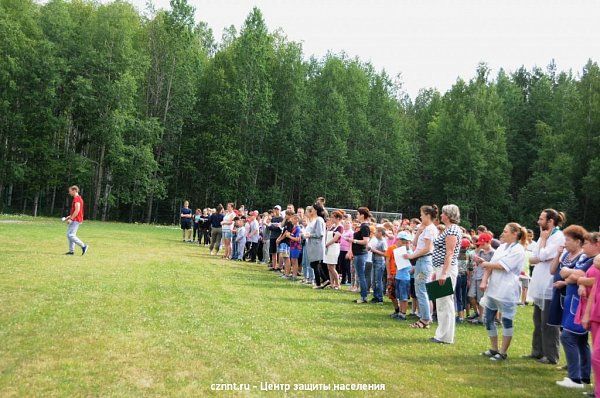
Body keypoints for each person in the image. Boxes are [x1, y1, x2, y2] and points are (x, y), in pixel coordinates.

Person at [478, 223, 527, 361]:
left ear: (515, 234)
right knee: (488, 319)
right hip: (493, 288)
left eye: (506, 231)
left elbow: (503, 266)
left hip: (507, 289)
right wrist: (484, 280)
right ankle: (494, 348)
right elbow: (491, 266)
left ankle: (503, 351)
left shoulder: (518, 250)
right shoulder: (500, 247)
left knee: (506, 320)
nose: (503, 233)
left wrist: (485, 264)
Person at [526, 209, 566, 365]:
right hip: (539, 283)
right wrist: (541, 245)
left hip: (549, 284)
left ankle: (551, 355)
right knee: (537, 320)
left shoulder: (558, 237)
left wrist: (542, 242)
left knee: (548, 322)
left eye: (541, 219)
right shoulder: (546, 236)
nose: (538, 221)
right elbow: (533, 256)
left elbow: (541, 256)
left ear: (550, 221)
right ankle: (537, 351)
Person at [554, 225, 592, 389]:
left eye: (587, 243)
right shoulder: (584, 258)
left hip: (579, 303)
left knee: (568, 337)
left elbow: (577, 276)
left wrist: (571, 274)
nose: (585, 245)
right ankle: (584, 376)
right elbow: (565, 275)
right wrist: (571, 274)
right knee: (581, 340)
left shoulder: (592, 260)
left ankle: (575, 379)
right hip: (573, 300)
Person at [430, 204, 462, 344]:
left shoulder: (453, 230)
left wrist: (443, 273)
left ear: (448, 215)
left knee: (445, 301)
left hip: (446, 269)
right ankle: (440, 334)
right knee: (440, 301)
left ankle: (446, 337)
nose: (441, 216)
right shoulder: (448, 229)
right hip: (440, 268)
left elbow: (449, 253)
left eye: (443, 213)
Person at [405, 205, 438, 329]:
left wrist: (412, 256)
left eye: (422, 215)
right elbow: (414, 243)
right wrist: (419, 231)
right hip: (421, 262)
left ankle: (424, 319)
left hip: (424, 262)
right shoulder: (426, 229)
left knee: (421, 290)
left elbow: (427, 248)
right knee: (422, 290)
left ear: (428, 216)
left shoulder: (430, 229)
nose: (420, 216)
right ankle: (426, 317)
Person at [579, 233, 600, 397]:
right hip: (596, 313)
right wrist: (587, 314)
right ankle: (597, 390)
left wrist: (580, 281)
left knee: (597, 357)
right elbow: (594, 290)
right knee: (596, 355)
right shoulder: (596, 261)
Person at [344, 207, 372, 304]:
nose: (356, 216)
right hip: (358, 254)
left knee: (361, 276)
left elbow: (365, 241)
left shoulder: (365, 227)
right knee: (360, 275)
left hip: (361, 254)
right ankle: (363, 296)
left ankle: (364, 297)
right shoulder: (363, 226)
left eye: (357, 214)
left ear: (362, 215)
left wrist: (353, 240)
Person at [468, 233, 495, 325]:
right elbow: (475, 261)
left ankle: (482, 318)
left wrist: (484, 262)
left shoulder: (493, 253)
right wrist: (476, 259)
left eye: (483, 244)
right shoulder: (480, 252)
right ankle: (478, 314)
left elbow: (492, 266)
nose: (481, 246)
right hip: (476, 276)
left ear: (489, 242)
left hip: (483, 277)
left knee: (481, 299)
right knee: (471, 295)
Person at [303, 206, 326, 288]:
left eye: (312, 209)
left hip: (317, 245)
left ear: (315, 211)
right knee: (314, 264)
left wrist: (310, 235)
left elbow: (320, 234)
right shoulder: (316, 220)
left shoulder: (319, 220)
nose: (310, 210)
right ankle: (325, 280)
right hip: (313, 244)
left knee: (314, 264)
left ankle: (320, 283)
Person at [392, 231, 413, 319]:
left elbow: (411, 263)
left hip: (405, 277)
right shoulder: (398, 251)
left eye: (398, 240)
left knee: (404, 297)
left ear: (402, 241)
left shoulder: (409, 252)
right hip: (399, 275)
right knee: (400, 296)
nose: (396, 242)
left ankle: (403, 314)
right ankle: (400, 312)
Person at [64, 185, 88, 255]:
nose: (69, 193)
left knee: (70, 235)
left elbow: (77, 210)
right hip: (75, 218)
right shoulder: (77, 198)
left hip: (76, 219)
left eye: (70, 191)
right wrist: (69, 216)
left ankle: (84, 246)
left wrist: (71, 219)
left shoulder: (77, 199)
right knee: (70, 235)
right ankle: (71, 251)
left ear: (74, 190)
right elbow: (76, 210)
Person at [324, 211, 344, 289]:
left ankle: (337, 284)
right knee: (329, 267)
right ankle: (332, 283)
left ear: (338, 218)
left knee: (332, 267)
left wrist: (327, 244)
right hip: (328, 247)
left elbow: (336, 238)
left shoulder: (340, 227)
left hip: (334, 247)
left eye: (333, 217)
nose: (331, 219)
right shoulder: (333, 226)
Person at [455, 237, 472, 323]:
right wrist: (469, 279)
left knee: (458, 296)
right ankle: (464, 315)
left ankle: (460, 316)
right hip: (465, 277)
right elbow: (470, 268)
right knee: (464, 295)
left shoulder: (456, 254)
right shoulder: (469, 255)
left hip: (457, 277)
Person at [370, 227, 388, 304]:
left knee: (378, 281)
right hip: (374, 261)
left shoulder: (383, 242)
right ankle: (375, 296)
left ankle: (380, 298)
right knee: (374, 280)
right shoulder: (377, 241)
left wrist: (374, 250)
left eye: (376, 232)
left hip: (380, 262)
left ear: (380, 233)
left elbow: (385, 254)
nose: (375, 233)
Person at [268, 206, 284, 271]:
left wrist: (274, 227)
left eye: (277, 209)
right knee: (273, 252)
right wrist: (274, 226)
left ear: (280, 210)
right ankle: (274, 266)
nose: (276, 210)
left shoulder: (281, 219)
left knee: (279, 252)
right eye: (275, 209)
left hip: (278, 237)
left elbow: (280, 228)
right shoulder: (273, 219)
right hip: (272, 236)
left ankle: (279, 266)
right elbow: (269, 227)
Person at [339, 220, 354, 286]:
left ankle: (350, 280)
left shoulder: (351, 232)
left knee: (347, 266)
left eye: (348, 223)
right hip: (341, 249)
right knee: (342, 265)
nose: (346, 225)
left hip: (347, 250)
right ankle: (343, 280)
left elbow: (351, 242)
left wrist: (349, 251)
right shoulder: (343, 231)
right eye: (345, 223)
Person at [288, 214, 303, 280]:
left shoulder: (298, 228)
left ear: (297, 220)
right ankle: (293, 274)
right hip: (292, 246)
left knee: (295, 261)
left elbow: (297, 239)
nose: (291, 220)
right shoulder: (294, 227)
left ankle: (295, 275)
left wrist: (289, 236)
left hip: (296, 247)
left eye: (293, 219)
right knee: (292, 260)